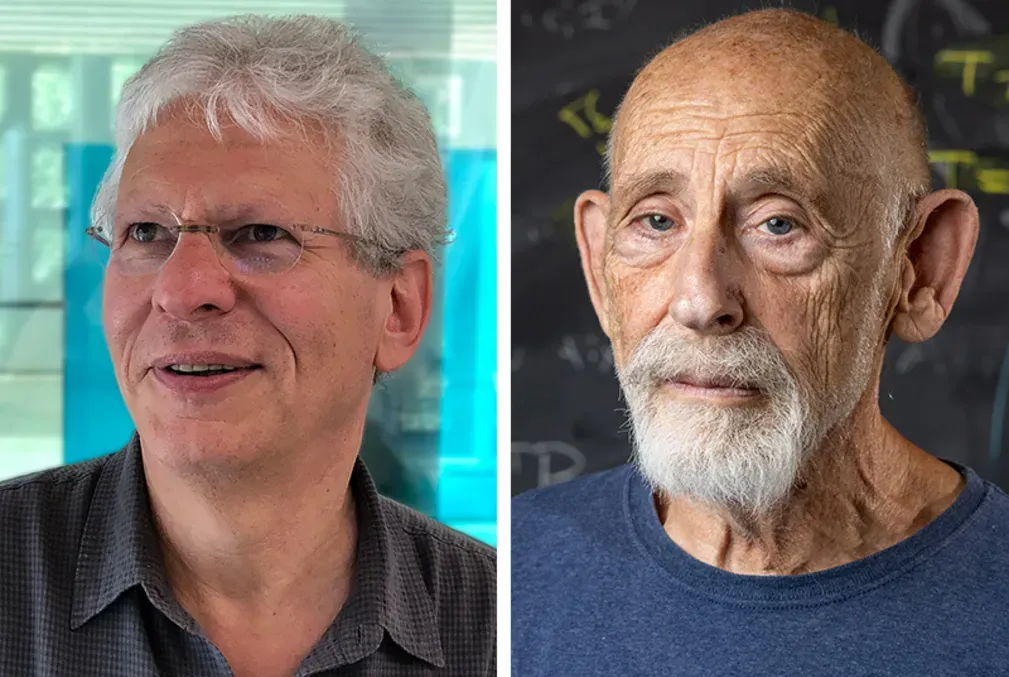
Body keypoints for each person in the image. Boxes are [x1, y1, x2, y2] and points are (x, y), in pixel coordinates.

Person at [512, 9, 1009, 676]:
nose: (699, 300)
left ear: (919, 268)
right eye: (656, 221)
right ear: (600, 265)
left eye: (777, 223)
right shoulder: (513, 570)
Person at [0, 15, 494, 677]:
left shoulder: (496, 624)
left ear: (399, 308)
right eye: (146, 233)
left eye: (260, 233)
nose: (180, 289)